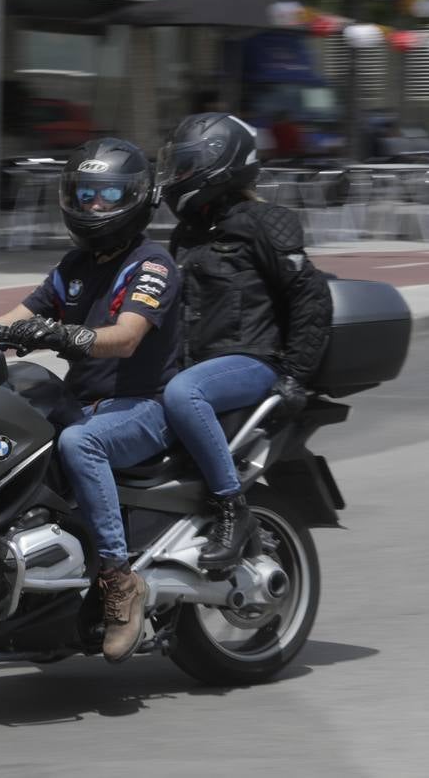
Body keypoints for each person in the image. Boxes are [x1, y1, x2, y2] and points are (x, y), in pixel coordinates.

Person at [0, 137, 181, 663]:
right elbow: (21, 315)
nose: (94, 204)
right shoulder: (75, 266)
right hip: (85, 402)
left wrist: (64, 335)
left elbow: (126, 337)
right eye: (85, 193)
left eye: (107, 193)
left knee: (80, 445)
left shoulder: (151, 264)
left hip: (143, 407)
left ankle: (121, 584)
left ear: (135, 198)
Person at [155, 113, 332, 569]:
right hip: (200, 364)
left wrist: (295, 374)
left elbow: (311, 298)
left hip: (253, 361)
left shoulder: (266, 222)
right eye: (177, 166)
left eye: (188, 165)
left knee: (183, 392)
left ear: (223, 164)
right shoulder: (187, 233)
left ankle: (231, 508)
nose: (178, 176)